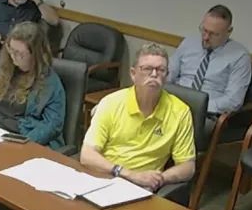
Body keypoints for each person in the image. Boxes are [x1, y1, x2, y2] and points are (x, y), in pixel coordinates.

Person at [80, 43, 195, 193]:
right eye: (147, 69)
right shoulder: (111, 103)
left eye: (161, 70)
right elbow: (87, 155)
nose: (154, 74)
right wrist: (128, 174)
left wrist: (159, 178)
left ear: (166, 76)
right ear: (133, 74)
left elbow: (188, 166)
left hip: (141, 188)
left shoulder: (180, 111)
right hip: (104, 176)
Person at [0, 22, 66, 149]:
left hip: (22, 140)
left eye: (20, 53)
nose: (13, 57)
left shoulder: (49, 83)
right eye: (11, 50)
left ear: (36, 54)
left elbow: (52, 125)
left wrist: (24, 142)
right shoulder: (2, 69)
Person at [167, 5, 252, 115]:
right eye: (204, 30)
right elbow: (168, 73)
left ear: (229, 31)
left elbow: (233, 101)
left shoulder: (240, 56)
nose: (206, 37)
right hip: (175, 104)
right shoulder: (189, 42)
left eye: (213, 34)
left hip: (206, 112)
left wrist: (198, 105)